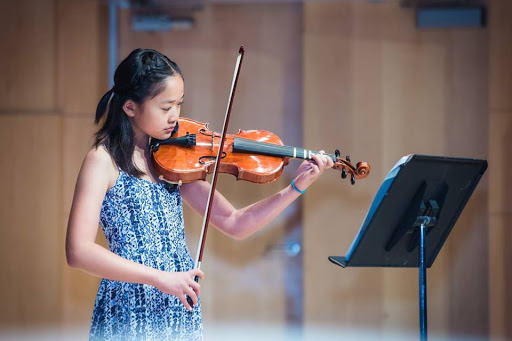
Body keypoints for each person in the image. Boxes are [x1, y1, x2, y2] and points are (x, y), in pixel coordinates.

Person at [65, 48, 333, 341]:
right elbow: (79, 252)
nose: (175, 116)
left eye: (179, 104)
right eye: (165, 107)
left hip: (178, 305)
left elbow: (235, 222)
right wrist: (161, 279)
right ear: (130, 107)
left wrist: (295, 188)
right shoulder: (102, 160)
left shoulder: (173, 159)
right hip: (130, 307)